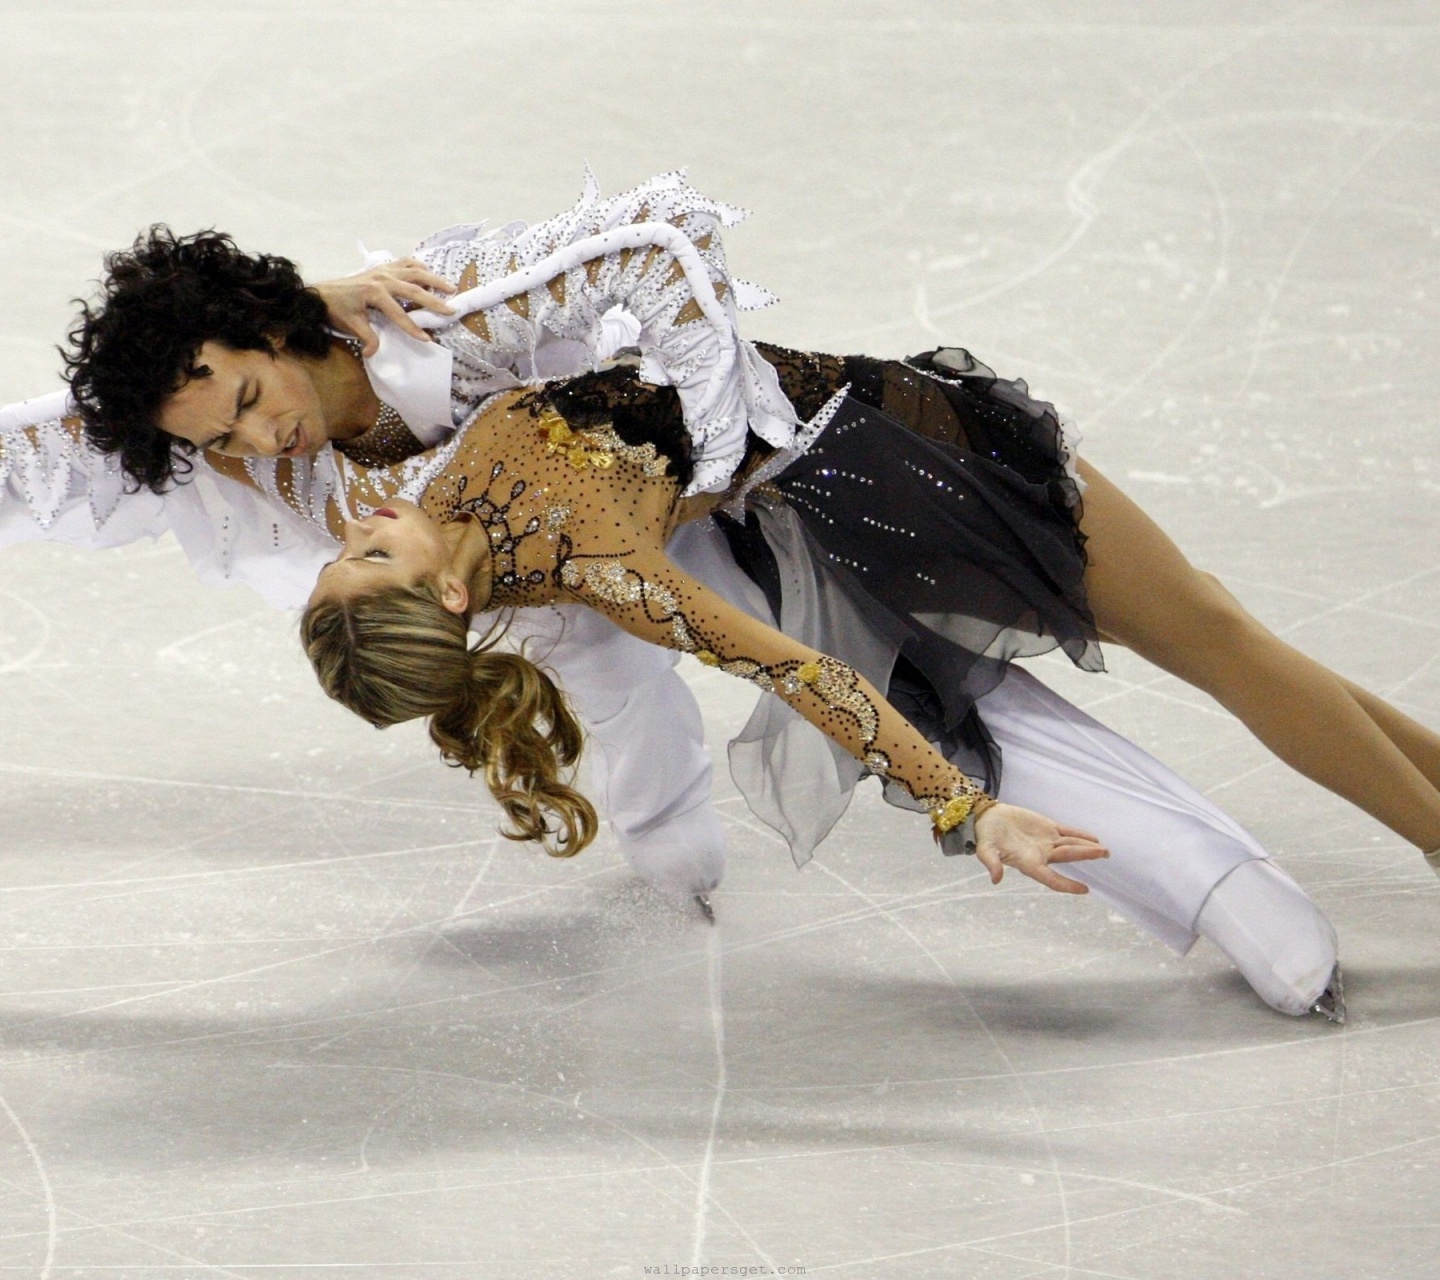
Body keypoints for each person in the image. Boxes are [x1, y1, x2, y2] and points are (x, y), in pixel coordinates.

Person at [52, 171, 1397, 1017]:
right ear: (447, 607)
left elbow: (663, 238)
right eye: (221, 439)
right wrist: (963, 809)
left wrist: (314, 291)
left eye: (244, 401)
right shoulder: (587, 573)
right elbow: (782, 672)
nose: (268, 459)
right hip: (829, 492)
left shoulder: (437, 366)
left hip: (861, 448)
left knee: (1206, 632)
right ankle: (1267, 897)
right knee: (1143, 654)